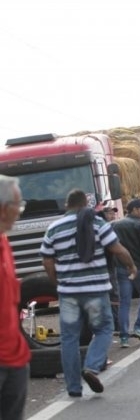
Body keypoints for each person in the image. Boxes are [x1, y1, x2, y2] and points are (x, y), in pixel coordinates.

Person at [40, 189, 136, 397]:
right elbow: (118, 250)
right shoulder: (98, 224)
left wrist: (58, 282)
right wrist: (131, 267)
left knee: (69, 339)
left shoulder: (54, 228)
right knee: (103, 329)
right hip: (96, 291)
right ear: (86, 204)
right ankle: (91, 367)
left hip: (69, 294)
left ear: (67, 205)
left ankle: (73, 387)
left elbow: (47, 260)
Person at [0, 175, 31, 418]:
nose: (19, 213)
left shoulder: (5, 243)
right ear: (2, 208)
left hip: (14, 357)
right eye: (17, 207)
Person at [111, 199, 140, 348]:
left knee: (124, 302)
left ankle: (124, 337)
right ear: (134, 209)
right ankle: (139, 327)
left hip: (121, 268)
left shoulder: (115, 225)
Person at [97, 201, 119, 332]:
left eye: (113, 213)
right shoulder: (102, 227)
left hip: (101, 267)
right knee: (113, 295)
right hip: (107, 266)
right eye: (109, 213)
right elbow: (115, 248)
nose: (112, 215)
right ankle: (115, 324)